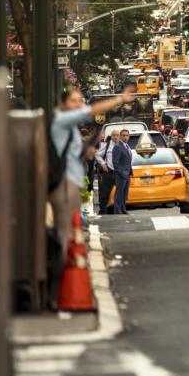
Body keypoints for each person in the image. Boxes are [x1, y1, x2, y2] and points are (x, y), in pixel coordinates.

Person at [50, 87, 135, 254]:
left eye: (80, 100)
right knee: (65, 235)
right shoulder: (61, 119)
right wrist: (120, 99)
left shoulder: (70, 126)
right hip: (64, 186)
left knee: (72, 235)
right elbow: (93, 110)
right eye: (73, 101)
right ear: (63, 103)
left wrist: (85, 151)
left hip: (73, 185)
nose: (78, 104)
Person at [111, 129, 133, 214]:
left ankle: (123, 209)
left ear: (129, 136)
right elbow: (115, 162)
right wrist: (121, 173)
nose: (125, 137)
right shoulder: (117, 147)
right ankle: (117, 210)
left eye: (126, 135)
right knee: (119, 193)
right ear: (120, 136)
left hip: (127, 174)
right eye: (123, 135)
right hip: (121, 175)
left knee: (124, 193)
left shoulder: (127, 146)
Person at [96, 135, 117, 215]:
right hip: (108, 171)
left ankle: (115, 209)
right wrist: (103, 164)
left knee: (118, 192)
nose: (116, 137)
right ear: (112, 136)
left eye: (117, 135)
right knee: (105, 192)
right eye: (114, 135)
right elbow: (97, 155)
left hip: (118, 172)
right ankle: (103, 210)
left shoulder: (122, 145)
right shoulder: (107, 145)